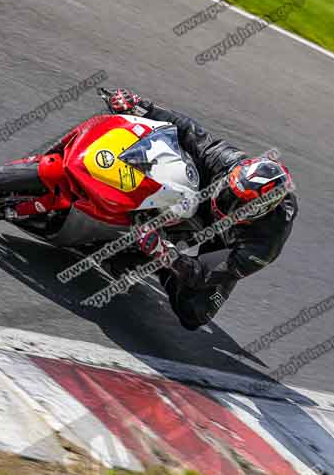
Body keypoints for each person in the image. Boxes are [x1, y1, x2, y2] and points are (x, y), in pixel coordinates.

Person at [107, 88, 298, 331]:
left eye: (239, 204)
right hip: (203, 198)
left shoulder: (264, 244)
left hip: (225, 243)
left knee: (195, 313)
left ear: (260, 211)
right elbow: (192, 132)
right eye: (231, 191)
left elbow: (204, 273)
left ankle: (155, 263)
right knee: (177, 153)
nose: (228, 201)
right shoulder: (231, 163)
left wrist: (165, 254)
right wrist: (142, 107)